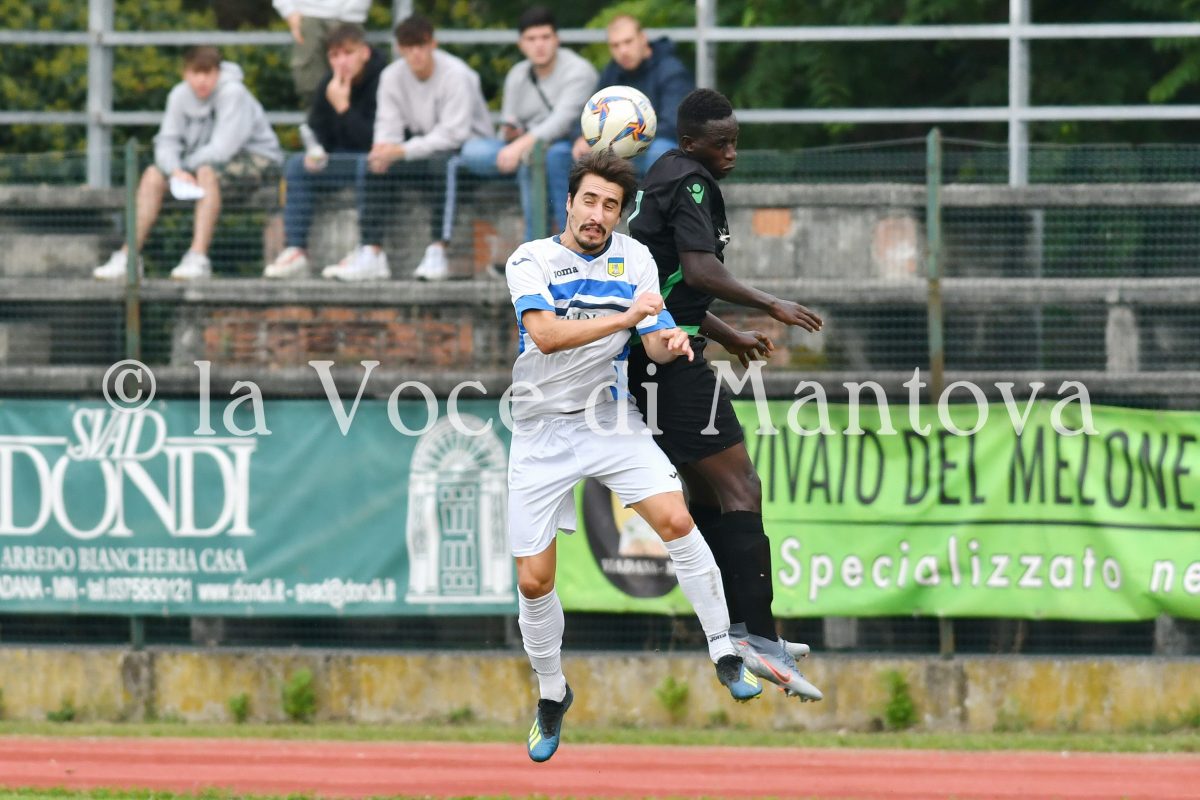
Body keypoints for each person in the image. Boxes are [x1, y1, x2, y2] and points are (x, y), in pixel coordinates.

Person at [506, 150, 762, 764]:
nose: (597, 215)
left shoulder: (635, 258)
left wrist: (672, 340)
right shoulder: (530, 259)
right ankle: (552, 692)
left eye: (611, 206)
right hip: (539, 429)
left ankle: (724, 651)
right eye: (589, 201)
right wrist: (627, 316)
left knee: (677, 519)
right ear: (569, 203)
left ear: (621, 214)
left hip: (609, 418)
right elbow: (545, 335)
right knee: (534, 580)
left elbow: (655, 339)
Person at [627, 88, 825, 700]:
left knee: (712, 493)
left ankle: (738, 628)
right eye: (722, 143)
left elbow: (669, 285)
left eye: (736, 141)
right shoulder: (692, 182)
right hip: (670, 364)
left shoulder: (667, 172)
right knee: (742, 486)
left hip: (652, 354)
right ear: (692, 143)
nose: (732, 153)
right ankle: (758, 638)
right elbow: (699, 269)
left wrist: (727, 333)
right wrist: (770, 303)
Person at [316, 15, 493, 282]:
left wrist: (400, 151)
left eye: (420, 46)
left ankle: (438, 251)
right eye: (408, 48)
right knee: (374, 165)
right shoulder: (391, 76)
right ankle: (371, 252)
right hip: (422, 151)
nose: (415, 54)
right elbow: (388, 126)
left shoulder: (457, 74)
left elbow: (454, 135)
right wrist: (382, 151)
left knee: (444, 165)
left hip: (466, 153)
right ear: (399, 49)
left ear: (432, 44)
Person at [94, 46, 283, 281]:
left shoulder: (234, 93)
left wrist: (185, 168)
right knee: (153, 175)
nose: (202, 80)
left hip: (256, 160)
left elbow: (223, 148)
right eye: (196, 73)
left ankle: (198, 257)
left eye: (208, 73)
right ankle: (128, 256)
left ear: (218, 73)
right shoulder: (178, 96)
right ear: (185, 73)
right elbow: (167, 141)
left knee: (206, 172)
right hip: (195, 167)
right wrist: (174, 170)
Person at [461, 6, 597, 243]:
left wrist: (519, 146)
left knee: (544, 156)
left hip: (565, 145)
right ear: (521, 44)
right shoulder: (517, 74)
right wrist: (510, 135)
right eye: (531, 39)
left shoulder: (579, 70)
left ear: (557, 39)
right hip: (524, 147)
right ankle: (535, 243)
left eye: (545, 37)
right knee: (472, 151)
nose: (539, 45)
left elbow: (561, 122)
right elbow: (507, 125)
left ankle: (545, 242)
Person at [264, 24, 387, 279]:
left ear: (364, 52)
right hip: (340, 161)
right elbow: (317, 131)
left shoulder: (384, 81)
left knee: (369, 164)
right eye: (334, 55)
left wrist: (343, 108)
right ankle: (296, 250)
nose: (341, 62)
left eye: (348, 53)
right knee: (296, 165)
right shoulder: (328, 85)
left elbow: (375, 141)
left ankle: (368, 250)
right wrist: (315, 151)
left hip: (376, 161)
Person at [570, 14, 694, 175]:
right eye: (615, 45)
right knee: (560, 153)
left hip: (657, 146)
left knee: (660, 151)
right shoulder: (612, 72)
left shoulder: (671, 70)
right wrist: (581, 137)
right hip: (616, 145)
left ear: (643, 38)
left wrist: (620, 140)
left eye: (628, 42)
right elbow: (591, 110)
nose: (623, 51)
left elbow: (673, 125)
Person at [273, 0, 371, 106]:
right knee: (311, 87)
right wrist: (289, 10)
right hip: (309, 13)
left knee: (357, 85)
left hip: (351, 15)